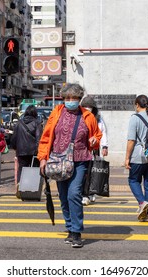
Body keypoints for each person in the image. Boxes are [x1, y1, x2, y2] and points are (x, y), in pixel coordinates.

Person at [38, 83, 102, 248]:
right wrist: (43, 158)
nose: (70, 101)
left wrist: (95, 141)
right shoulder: (56, 112)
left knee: (74, 194)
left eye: (74, 98)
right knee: (64, 196)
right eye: (67, 98)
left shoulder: (88, 116)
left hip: (80, 160)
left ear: (79, 99)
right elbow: (46, 137)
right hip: (58, 161)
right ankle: (69, 227)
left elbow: (97, 135)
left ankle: (76, 231)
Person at [80, 95, 108, 206]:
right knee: (84, 174)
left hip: (93, 151)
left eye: (90, 106)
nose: (87, 108)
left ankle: (89, 193)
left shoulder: (98, 119)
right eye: (85, 106)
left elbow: (103, 133)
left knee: (92, 173)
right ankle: (85, 194)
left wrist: (104, 146)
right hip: (81, 150)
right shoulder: (79, 117)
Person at [10, 105, 43, 183]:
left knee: (21, 169)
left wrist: (15, 148)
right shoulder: (37, 123)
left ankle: (20, 187)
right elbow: (39, 138)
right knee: (34, 170)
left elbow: (14, 138)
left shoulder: (19, 123)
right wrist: (38, 151)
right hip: (34, 152)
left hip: (21, 151)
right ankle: (33, 188)